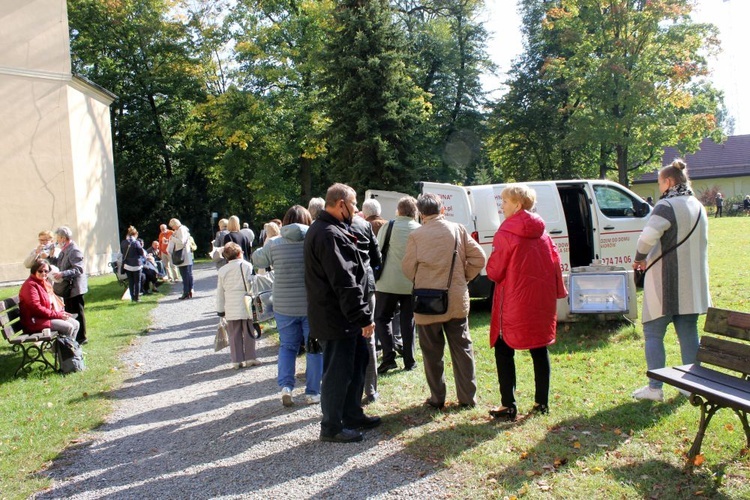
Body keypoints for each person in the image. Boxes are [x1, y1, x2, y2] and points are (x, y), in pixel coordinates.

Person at [305, 183, 380, 443]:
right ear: (340, 204)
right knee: (338, 372)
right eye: (354, 203)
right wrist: (363, 317)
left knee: (357, 362)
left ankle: (351, 414)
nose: (357, 208)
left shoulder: (333, 229)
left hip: (341, 316)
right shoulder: (329, 234)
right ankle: (332, 426)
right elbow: (344, 280)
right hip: (337, 318)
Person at [485, 185, 567, 421]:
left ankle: (508, 405)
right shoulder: (543, 233)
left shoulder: (506, 233)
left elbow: (495, 271)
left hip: (513, 301)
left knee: (503, 349)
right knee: (539, 349)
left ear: (518, 205)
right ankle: (542, 403)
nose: (502, 207)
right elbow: (555, 265)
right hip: (539, 301)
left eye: (505, 202)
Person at [632, 159, 710, 402]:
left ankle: (655, 387)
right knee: (688, 332)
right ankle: (691, 383)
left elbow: (647, 238)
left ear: (668, 181)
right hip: (693, 283)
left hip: (665, 283)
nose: (659, 187)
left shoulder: (665, 206)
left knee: (653, 333)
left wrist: (639, 259)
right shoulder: (698, 205)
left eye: (659, 182)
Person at [402, 193, 485, 409]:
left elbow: (408, 268)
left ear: (421, 213)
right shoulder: (458, 229)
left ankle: (437, 398)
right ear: (442, 210)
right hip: (456, 299)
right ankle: (467, 398)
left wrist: (423, 279)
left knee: (431, 353)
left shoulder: (417, 236)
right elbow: (479, 258)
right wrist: (462, 277)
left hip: (427, 303)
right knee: (462, 350)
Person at [252, 205, 322, 406]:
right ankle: (313, 392)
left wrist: (267, 241)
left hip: (283, 304)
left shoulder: (274, 243)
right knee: (314, 347)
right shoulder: (314, 240)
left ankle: (286, 386)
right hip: (311, 304)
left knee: (288, 347)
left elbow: (257, 259)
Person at [374, 196, 420, 376]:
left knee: (382, 318)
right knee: (408, 321)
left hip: (388, 282)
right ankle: (410, 360)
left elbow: (378, 248)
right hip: (411, 282)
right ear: (415, 211)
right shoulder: (419, 229)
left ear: (398, 210)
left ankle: (388, 357)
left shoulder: (389, 226)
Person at [348, 212, 381, 408]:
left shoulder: (329, 227)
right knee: (368, 338)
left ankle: (353, 388)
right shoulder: (364, 225)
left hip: (345, 289)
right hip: (367, 287)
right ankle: (371, 389)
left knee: (348, 339)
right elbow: (377, 259)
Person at [216, 242, 261, 369]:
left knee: (234, 334)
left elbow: (220, 291)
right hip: (246, 303)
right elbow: (252, 284)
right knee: (248, 332)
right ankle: (250, 358)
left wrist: (220, 310)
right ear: (240, 253)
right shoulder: (246, 265)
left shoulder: (222, 270)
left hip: (230, 305)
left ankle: (236, 360)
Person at [47, 226, 89, 345]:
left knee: (77, 312)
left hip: (75, 287)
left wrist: (62, 274)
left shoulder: (74, 250)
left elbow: (78, 269)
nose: (57, 240)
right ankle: (74, 336)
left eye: (58, 238)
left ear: (63, 237)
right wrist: (50, 257)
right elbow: (59, 264)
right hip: (67, 287)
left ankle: (81, 338)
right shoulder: (65, 249)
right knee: (70, 311)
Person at [19, 260, 80, 338]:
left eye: (46, 271)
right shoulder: (30, 286)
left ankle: (70, 347)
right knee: (68, 327)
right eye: (40, 271)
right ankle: (63, 348)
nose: (43, 273)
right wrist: (58, 315)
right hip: (34, 321)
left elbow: (52, 303)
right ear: (34, 270)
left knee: (76, 324)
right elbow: (36, 308)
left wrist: (62, 312)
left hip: (44, 317)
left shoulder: (44, 283)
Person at [167, 218, 194, 300]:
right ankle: (188, 291)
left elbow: (181, 242)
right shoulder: (181, 229)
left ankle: (186, 292)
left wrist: (172, 238)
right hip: (185, 255)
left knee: (185, 275)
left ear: (175, 224)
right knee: (187, 275)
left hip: (183, 255)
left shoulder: (181, 230)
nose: (172, 228)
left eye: (173, 226)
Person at [120, 226, 147, 303]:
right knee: (137, 281)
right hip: (136, 265)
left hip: (127, 265)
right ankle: (137, 297)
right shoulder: (136, 243)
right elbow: (141, 253)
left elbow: (122, 252)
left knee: (131, 282)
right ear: (135, 234)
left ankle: (132, 297)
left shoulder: (123, 242)